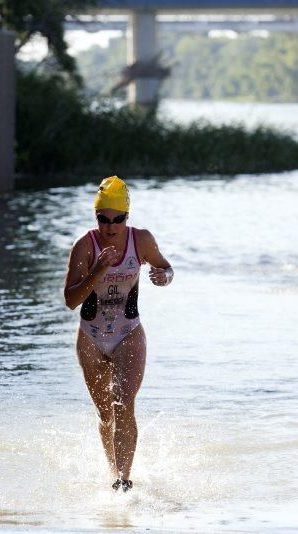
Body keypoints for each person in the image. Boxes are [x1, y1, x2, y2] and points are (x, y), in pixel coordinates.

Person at [63, 176, 174, 492]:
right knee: (105, 413)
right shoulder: (85, 246)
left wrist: (163, 276)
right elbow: (70, 301)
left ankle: (123, 479)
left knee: (123, 403)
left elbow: (166, 267)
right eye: (103, 218)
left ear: (127, 217)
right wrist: (97, 270)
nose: (110, 226)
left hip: (129, 332)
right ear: (96, 217)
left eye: (118, 219)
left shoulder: (141, 241)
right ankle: (113, 469)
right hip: (91, 337)